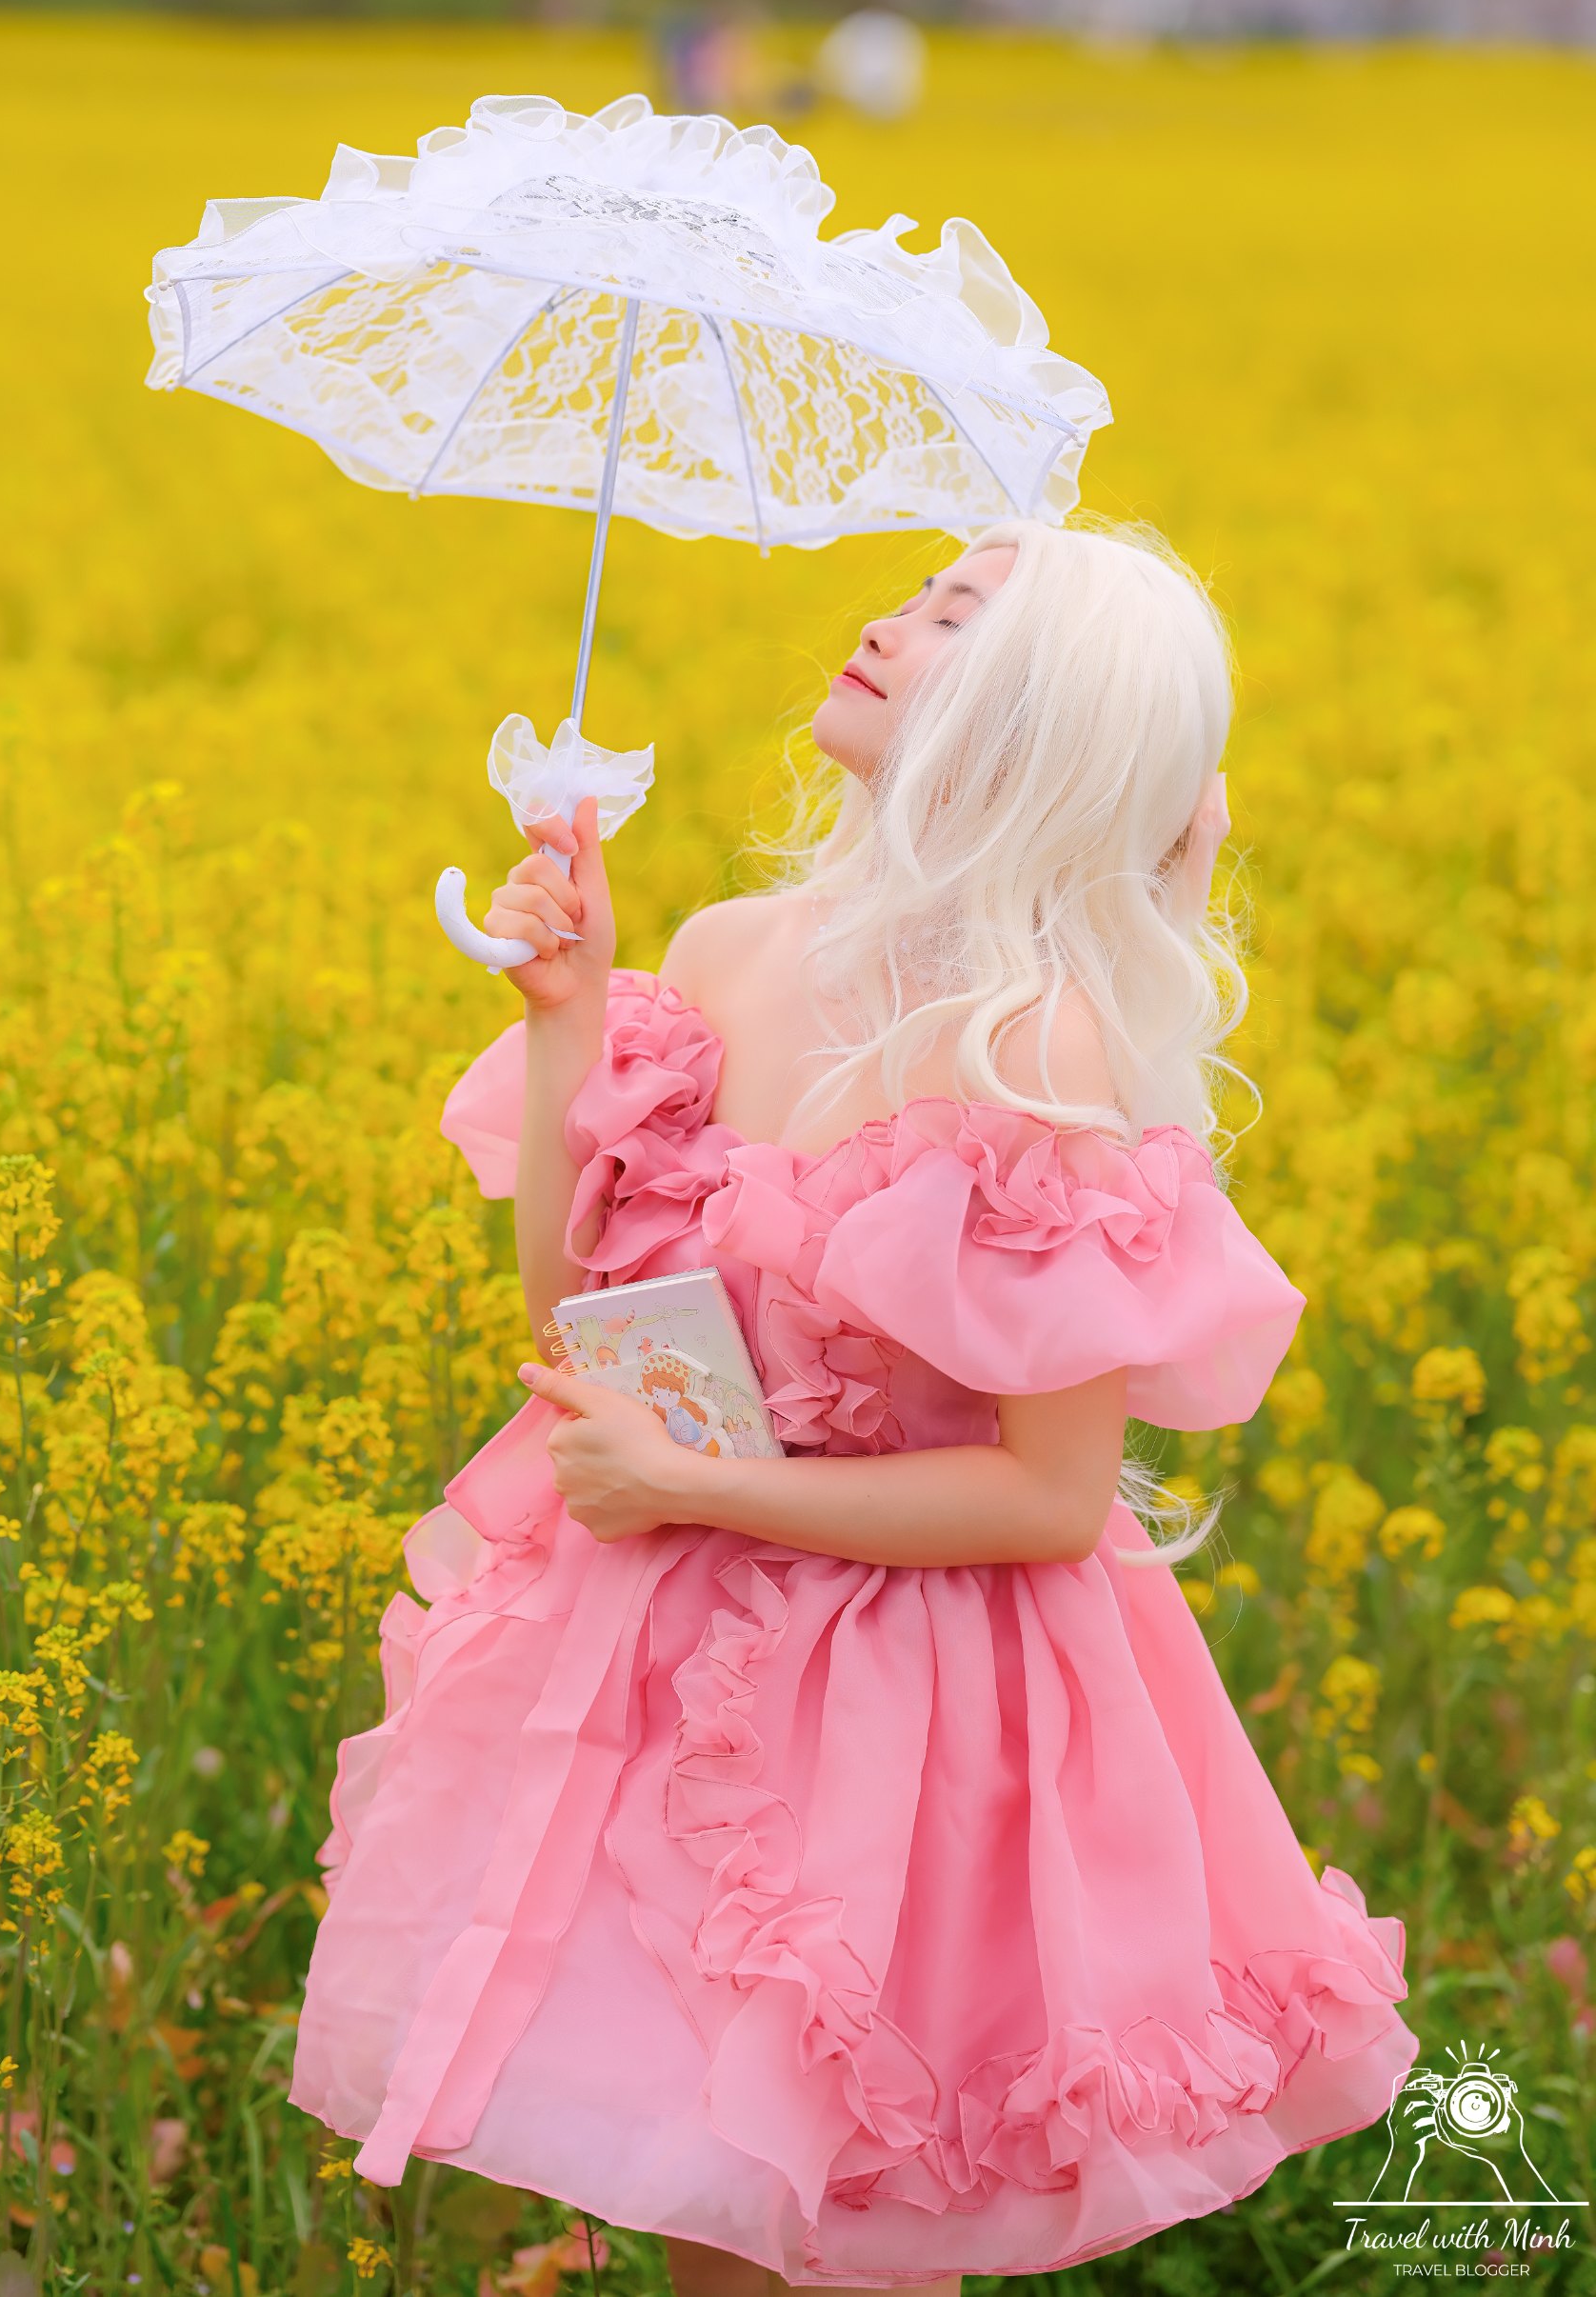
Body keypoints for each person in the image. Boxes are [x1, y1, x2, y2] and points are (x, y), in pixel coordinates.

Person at [290, 516, 1420, 2288]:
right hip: (687, 1671)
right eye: (915, 592)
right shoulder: (734, 950)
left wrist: (696, 1488)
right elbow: (587, 1324)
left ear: (1045, 719)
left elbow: (1051, 1500)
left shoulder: (1030, 1048)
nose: (887, 623)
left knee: (847, 2240)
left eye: (958, 614)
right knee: (710, 2235)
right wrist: (571, 1020)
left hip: (915, 1722)